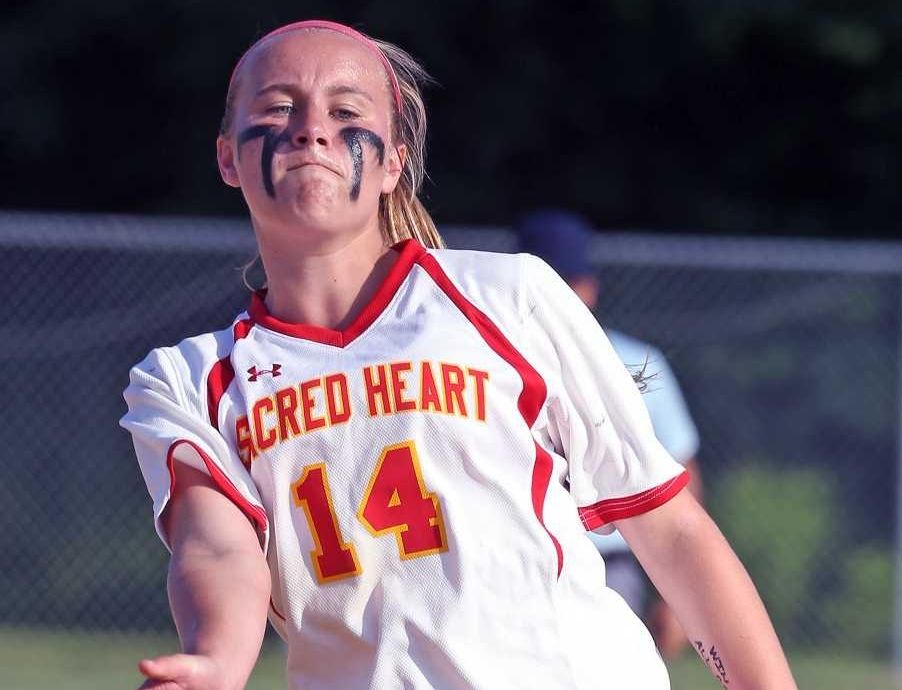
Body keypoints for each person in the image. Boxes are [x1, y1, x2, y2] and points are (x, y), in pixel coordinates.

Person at [120, 20, 796, 690]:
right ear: (227, 158)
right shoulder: (187, 382)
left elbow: (668, 528)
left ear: (393, 161)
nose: (311, 127)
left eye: (345, 110)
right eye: (277, 107)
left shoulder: (509, 297)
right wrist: (214, 660)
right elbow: (218, 548)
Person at [516, 209, 699, 659]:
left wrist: (680, 598)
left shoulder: (637, 364)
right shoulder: (483, 364)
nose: (562, 296)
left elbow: (680, 470)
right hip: (517, 559)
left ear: (591, 287)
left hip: (610, 562)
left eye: (571, 282)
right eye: (551, 282)